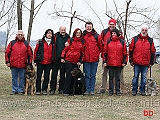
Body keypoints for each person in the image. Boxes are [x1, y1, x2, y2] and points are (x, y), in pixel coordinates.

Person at [129, 25, 156, 96]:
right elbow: (131, 50)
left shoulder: (150, 40)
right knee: (135, 76)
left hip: (145, 63)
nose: (144, 31)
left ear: (147, 31)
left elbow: (153, 52)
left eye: (145, 30)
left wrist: (151, 62)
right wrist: (131, 60)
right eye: (143, 30)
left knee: (144, 78)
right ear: (141, 30)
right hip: (136, 62)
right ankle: (134, 90)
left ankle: (142, 90)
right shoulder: (135, 39)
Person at [5, 30, 33, 95]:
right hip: (13, 63)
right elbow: (7, 53)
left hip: (23, 64)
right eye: (19, 34)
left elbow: (30, 54)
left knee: (22, 78)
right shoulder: (12, 43)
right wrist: (7, 61)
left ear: (23, 36)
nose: (20, 36)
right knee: (14, 78)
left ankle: (20, 90)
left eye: (21, 35)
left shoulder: (26, 44)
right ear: (16, 35)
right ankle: (14, 90)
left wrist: (29, 63)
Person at [102, 28, 127, 96]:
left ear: (117, 34)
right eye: (112, 33)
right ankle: (111, 91)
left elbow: (125, 53)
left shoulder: (122, 42)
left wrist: (124, 62)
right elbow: (105, 52)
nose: (113, 34)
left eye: (114, 33)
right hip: (110, 62)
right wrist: (104, 61)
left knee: (118, 78)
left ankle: (118, 90)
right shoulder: (108, 41)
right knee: (111, 77)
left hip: (119, 62)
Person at [82, 22, 103, 95]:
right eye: (87, 27)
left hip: (94, 59)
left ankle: (92, 90)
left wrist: (96, 53)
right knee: (87, 75)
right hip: (86, 59)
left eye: (90, 27)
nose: (89, 28)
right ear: (85, 27)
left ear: (92, 27)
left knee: (93, 75)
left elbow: (101, 46)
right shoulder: (82, 36)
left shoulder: (97, 36)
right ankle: (87, 89)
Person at [61, 28, 83, 96]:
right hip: (68, 60)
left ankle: (72, 91)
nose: (78, 34)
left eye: (79, 33)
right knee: (68, 75)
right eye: (77, 32)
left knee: (75, 77)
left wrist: (80, 61)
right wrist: (62, 57)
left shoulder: (82, 42)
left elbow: (82, 53)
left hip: (76, 61)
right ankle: (66, 91)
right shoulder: (70, 40)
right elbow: (65, 49)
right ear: (75, 33)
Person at [97, 18, 117, 94]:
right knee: (104, 73)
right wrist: (103, 51)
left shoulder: (118, 32)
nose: (111, 25)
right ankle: (103, 88)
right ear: (108, 24)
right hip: (105, 56)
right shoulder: (104, 32)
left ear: (115, 25)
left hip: (115, 57)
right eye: (110, 24)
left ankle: (113, 88)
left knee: (114, 74)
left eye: (113, 24)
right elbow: (100, 41)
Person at [50, 26, 70, 95]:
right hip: (56, 58)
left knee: (62, 75)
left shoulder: (68, 37)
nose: (63, 31)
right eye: (62, 30)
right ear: (59, 30)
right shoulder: (55, 36)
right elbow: (47, 41)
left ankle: (61, 89)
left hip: (64, 59)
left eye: (64, 30)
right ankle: (52, 89)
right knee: (54, 74)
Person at [34, 29, 54, 95]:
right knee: (39, 76)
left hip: (48, 63)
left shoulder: (53, 43)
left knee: (46, 77)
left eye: (51, 34)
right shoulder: (40, 42)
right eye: (48, 33)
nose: (49, 35)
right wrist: (35, 61)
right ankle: (38, 90)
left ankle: (44, 89)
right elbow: (35, 51)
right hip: (40, 62)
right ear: (45, 34)